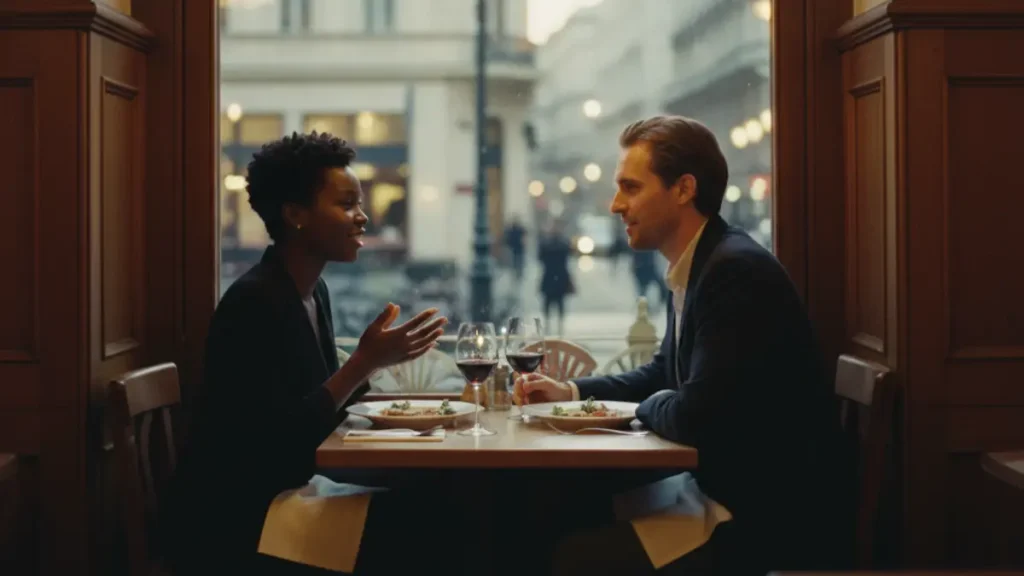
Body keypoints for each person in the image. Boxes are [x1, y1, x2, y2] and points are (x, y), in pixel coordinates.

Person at [515, 116, 846, 575]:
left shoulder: (734, 272)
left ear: (684, 189)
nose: (615, 205)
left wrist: (645, 406)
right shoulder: (704, 261)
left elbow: (693, 416)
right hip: (717, 489)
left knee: (572, 554)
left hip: (759, 516)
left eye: (631, 187)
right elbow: (661, 373)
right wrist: (569, 393)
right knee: (559, 510)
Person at [161, 132, 451, 575]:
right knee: (434, 520)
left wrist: (379, 367)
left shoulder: (313, 292)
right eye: (347, 204)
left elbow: (320, 411)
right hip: (240, 516)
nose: (362, 217)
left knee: (434, 496)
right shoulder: (254, 302)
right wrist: (365, 362)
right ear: (295, 214)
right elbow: (279, 442)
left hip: (285, 489)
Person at [537, 220, 574, 336]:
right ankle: (557, 324)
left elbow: (540, 257)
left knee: (550, 302)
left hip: (550, 275)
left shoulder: (546, 243)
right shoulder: (563, 243)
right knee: (558, 302)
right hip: (559, 275)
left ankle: (550, 323)